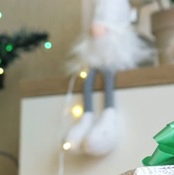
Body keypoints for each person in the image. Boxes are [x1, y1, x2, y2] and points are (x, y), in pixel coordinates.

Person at [64, 0, 153, 156]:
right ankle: (87, 117)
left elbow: (111, 14)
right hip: (98, 45)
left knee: (108, 74)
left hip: (111, 41)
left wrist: (104, 25)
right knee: (89, 76)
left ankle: (108, 114)